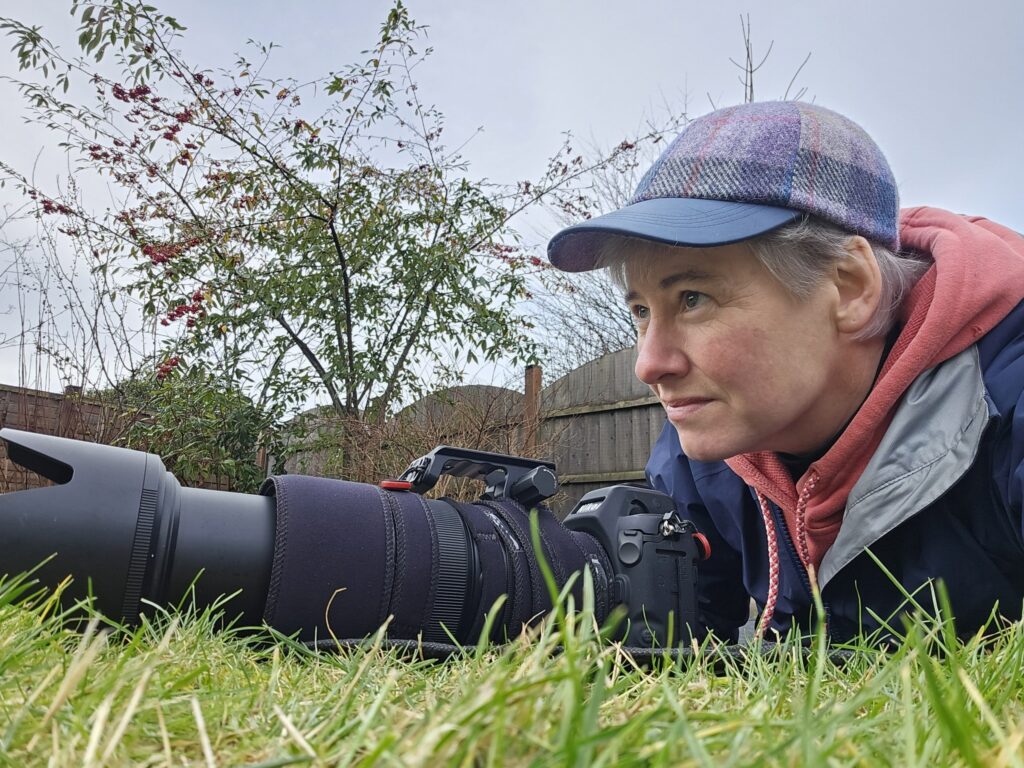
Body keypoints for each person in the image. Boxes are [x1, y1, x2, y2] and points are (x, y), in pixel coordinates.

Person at [547, 100, 1024, 643]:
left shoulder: (1007, 396)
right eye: (641, 311)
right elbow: (676, 631)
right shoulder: (707, 449)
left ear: (850, 288)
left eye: (693, 298)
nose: (650, 364)